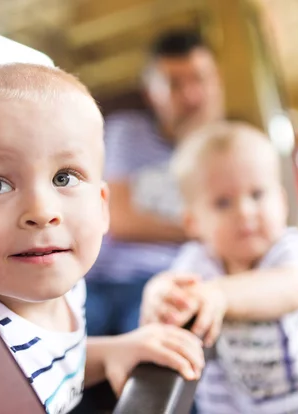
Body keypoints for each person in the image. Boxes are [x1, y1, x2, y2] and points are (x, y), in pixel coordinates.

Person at [0, 63, 204, 414]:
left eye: (64, 178)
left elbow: (55, 360)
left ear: (102, 206)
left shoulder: (64, 279)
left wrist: (113, 351)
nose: (42, 210)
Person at [140, 121, 298, 413]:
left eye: (258, 194)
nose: (245, 211)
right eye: (223, 203)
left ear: (282, 201)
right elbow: (172, 288)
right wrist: (158, 292)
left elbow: (297, 285)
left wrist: (220, 294)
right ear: (192, 222)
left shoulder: (297, 250)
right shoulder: (196, 263)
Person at [86, 29, 225, 337]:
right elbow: (118, 218)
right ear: (151, 93)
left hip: (167, 284)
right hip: (96, 279)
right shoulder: (126, 132)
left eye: (200, 79)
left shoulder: (227, 150)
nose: (191, 95)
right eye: (175, 84)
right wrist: (196, 229)